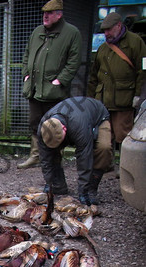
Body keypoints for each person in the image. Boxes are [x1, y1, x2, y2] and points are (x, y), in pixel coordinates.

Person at [19, 0, 82, 169]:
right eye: (44, 13)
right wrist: (26, 74)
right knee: (34, 123)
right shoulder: (37, 32)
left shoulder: (71, 33)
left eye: (50, 13)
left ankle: (55, 160)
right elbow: (26, 55)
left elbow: (74, 61)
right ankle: (36, 156)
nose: (45, 16)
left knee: (55, 125)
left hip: (55, 91)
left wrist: (60, 80)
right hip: (34, 88)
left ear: (59, 14)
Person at [37, 97, 112, 205]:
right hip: (75, 118)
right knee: (51, 151)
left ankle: (91, 189)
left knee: (103, 148)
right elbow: (45, 158)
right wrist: (49, 182)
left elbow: (84, 157)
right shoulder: (43, 127)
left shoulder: (79, 126)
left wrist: (83, 191)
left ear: (64, 129)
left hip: (97, 116)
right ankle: (58, 185)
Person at [87, 12, 146, 149]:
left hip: (123, 101)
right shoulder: (102, 48)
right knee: (104, 140)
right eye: (104, 30)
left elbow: (142, 72)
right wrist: (90, 100)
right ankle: (107, 169)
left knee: (124, 138)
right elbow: (93, 77)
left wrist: (139, 96)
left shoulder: (135, 42)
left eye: (108, 29)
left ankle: (125, 168)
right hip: (103, 102)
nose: (105, 33)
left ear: (119, 26)